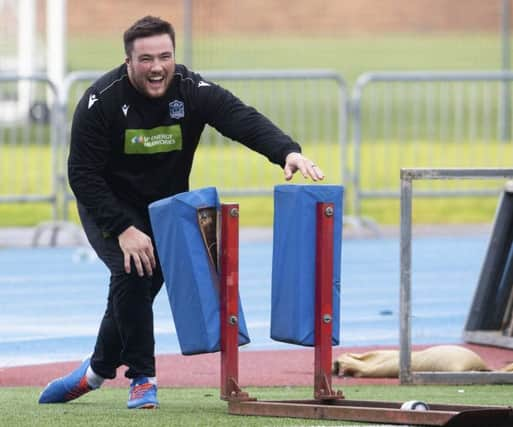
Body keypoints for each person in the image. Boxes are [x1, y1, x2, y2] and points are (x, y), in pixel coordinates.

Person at [38, 15, 324, 409]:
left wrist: (286, 151)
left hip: (166, 209)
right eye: (146, 59)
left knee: (136, 288)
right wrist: (122, 228)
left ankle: (95, 372)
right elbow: (81, 174)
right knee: (134, 270)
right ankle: (142, 377)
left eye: (165, 56)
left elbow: (240, 118)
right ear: (128, 62)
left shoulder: (191, 90)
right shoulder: (100, 101)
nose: (157, 67)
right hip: (108, 205)